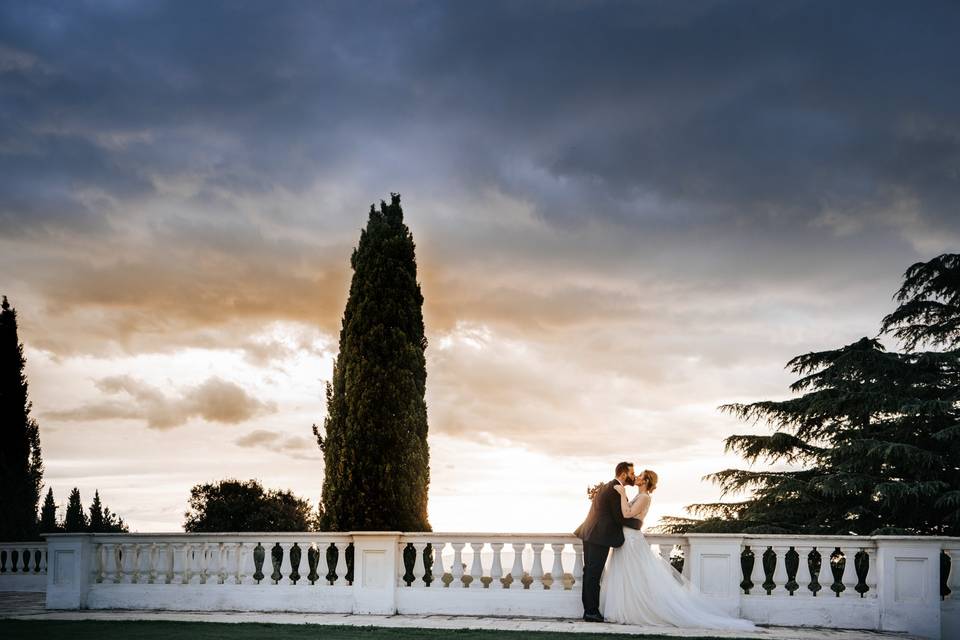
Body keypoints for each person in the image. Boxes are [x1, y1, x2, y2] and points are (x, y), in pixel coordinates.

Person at [599, 469, 759, 631]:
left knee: (633, 575)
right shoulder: (638, 496)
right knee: (627, 575)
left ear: (646, 481)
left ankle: (633, 611)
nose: (637, 477)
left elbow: (626, 513)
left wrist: (621, 494)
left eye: (640, 476)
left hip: (632, 540)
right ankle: (625, 609)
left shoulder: (644, 497)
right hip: (627, 537)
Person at [573, 461, 643, 622]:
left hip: (590, 533)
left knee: (589, 573)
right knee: (593, 574)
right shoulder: (615, 489)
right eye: (632, 473)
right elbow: (619, 517)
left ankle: (589, 611)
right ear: (624, 474)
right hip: (599, 536)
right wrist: (638, 524)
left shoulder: (607, 486)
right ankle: (591, 611)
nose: (634, 476)